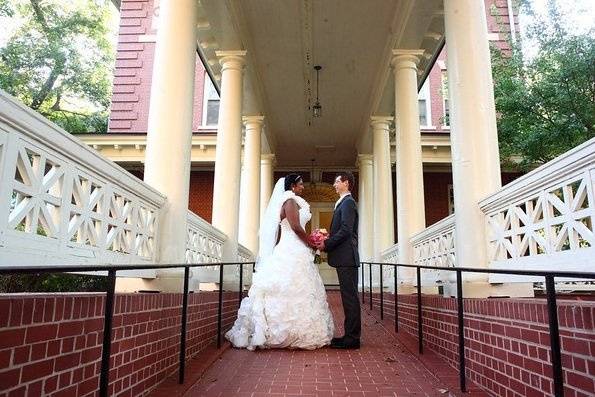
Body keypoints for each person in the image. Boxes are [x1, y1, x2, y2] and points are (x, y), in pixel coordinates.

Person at [225, 174, 334, 350]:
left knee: (300, 288)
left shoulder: (292, 200)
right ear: (292, 186)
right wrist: (311, 242)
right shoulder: (289, 201)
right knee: (289, 287)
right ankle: (283, 332)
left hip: (295, 248)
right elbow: (296, 227)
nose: (302, 187)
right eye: (300, 184)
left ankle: (297, 331)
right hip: (291, 248)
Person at [317, 172, 361, 349]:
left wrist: (326, 243)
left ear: (346, 183)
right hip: (343, 258)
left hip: (347, 258)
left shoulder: (348, 203)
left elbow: (346, 230)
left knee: (350, 299)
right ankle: (349, 336)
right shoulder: (342, 203)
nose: (334, 185)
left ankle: (352, 339)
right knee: (347, 298)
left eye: (337, 182)